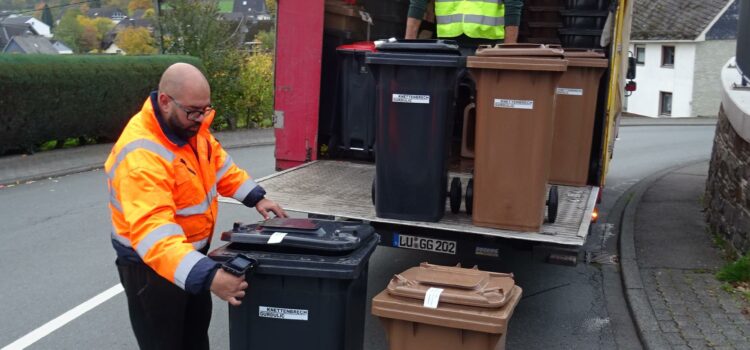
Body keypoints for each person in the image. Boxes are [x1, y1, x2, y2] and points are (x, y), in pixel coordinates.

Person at [105, 62, 287, 349]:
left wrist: (257, 197)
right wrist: (210, 275)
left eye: (205, 110)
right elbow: (155, 234)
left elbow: (220, 167)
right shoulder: (141, 154)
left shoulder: (191, 128)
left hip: (190, 260)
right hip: (151, 271)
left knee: (194, 339)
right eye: (194, 111)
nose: (201, 119)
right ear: (165, 101)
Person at [405, 0, 524, 50]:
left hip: (489, 48)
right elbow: (418, 2)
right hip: (448, 47)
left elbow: (513, 4)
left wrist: (509, 49)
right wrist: (408, 45)